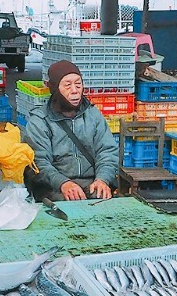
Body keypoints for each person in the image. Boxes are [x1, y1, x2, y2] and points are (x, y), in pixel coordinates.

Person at [22, 60, 119, 202]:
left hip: (91, 182)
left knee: (103, 201)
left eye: (78, 84)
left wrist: (102, 179)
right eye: (68, 85)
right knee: (66, 206)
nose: (75, 90)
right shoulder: (40, 120)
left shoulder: (93, 114)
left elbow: (107, 151)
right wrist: (63, 183)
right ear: (55, 88)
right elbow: (38, 163)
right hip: (55, 187)